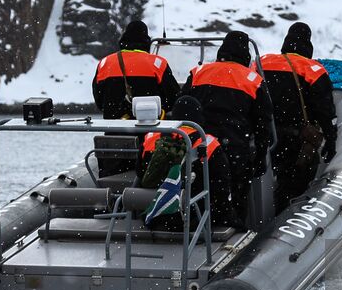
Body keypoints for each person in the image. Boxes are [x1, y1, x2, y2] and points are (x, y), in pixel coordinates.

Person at [180, 30, 272, 228]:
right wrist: (260, 158)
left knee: (198, 191)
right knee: (235, 201)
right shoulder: (253, 80)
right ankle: (233, 233)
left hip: (200, 149)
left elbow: (182, 109)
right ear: (246, 53)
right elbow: (263, 125)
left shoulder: (198, 72)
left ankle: (195, 228)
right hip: (234, 151)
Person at [261, 22, 337, 208]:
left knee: (263, 178)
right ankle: (287, 214)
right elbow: (325, 111)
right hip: (295, 139)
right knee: (295, 183)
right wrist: (331, 140)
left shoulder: (262, 62)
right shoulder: (313, 70)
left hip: (264, 135)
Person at [139, 95, 224, 230]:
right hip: (190, 215)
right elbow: (221, 184)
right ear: (199, 116)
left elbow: (140, 173)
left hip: (150, 212)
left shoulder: (151, 137)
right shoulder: (208, 142)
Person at [93, 20, 179, 119]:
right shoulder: (158, 64)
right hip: (150, 126)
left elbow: (99, 100)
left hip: (113, 126)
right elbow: (174, 98)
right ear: (146, 40)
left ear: (124, 38)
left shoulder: (105, 63)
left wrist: (116, 110)